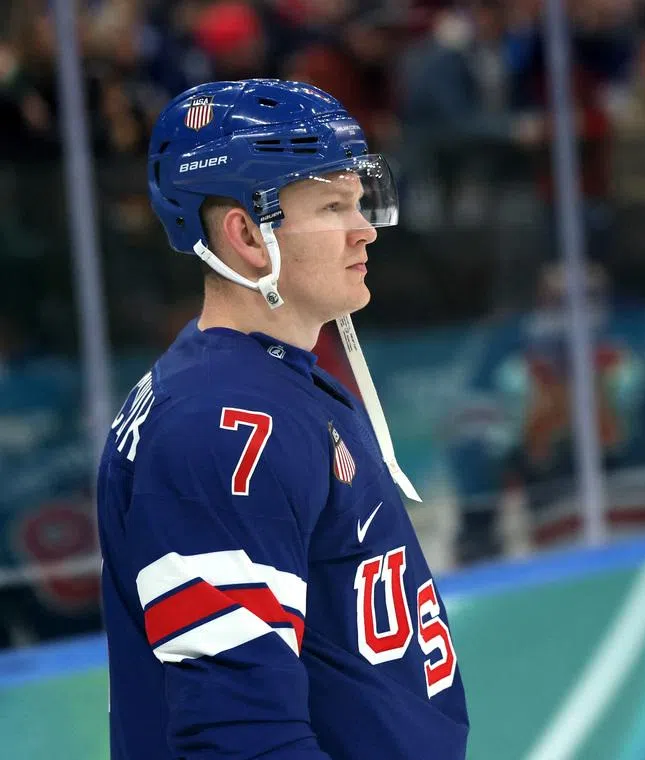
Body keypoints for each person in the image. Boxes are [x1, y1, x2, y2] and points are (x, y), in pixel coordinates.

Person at [96, 79, 468, 759]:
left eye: (359, 202)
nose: (364, 230)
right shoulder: (220, 425)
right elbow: (242, 738)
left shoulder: (276, 382)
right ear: (245, 234)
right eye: (332, 206)